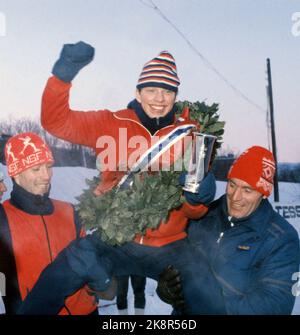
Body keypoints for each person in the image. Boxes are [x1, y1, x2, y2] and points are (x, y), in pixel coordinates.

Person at [17, 42, 217, 315]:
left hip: (172, 245)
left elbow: (196, 212)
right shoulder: (110, 123)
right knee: (62, 271)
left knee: (207, 295)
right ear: (137, 91)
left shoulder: (192, 135)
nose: (159, 98)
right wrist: (62, 77)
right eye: (152, 90)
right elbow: (56, 122)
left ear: (175, 95)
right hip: (115, 241)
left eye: (167, 91)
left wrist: (198, 199)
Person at [160, 146, 300, 315]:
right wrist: (167, 287)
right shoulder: (203, 216)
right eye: (232, 185)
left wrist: (208, 304)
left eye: (247, 190)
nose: (235, 197)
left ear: (264, 194)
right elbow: (176, 261)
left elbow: (274, 305)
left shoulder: (282, 239)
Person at [0, 132, 115, 315]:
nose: (46, 176)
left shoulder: (69, 211)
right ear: (16, 173)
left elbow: (89, 264)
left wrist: (99, 280)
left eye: (49, 166)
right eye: (36, 169)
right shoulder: (3, 219)